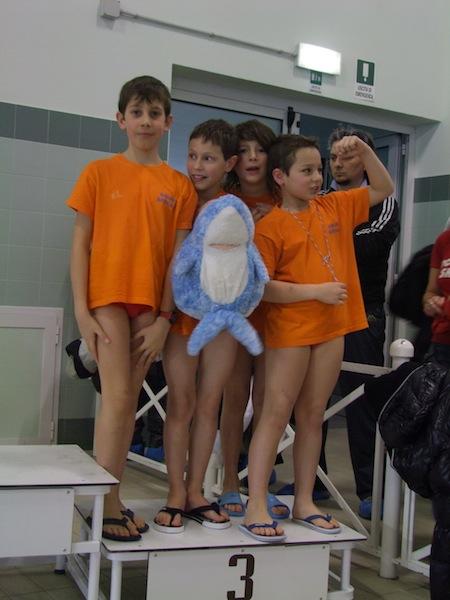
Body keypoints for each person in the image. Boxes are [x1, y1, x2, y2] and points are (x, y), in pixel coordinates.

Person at [241, 133, 394, 541]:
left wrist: (364, 151)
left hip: (331, 329)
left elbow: (383, 188)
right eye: (306, 171)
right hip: (290, 332)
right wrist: (314, 292)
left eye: (318, 170)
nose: (316, 178)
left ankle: (305, 501)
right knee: (275, 415)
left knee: (313, 416)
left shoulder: (334, 206)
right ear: (280, 176)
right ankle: (256, 503)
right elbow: (261, 288)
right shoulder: (269, 226)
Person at [67, 75, 197, 542]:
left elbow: (178, 259)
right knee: (119, 399)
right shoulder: (98, 173)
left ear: (167, 122)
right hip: (106, 298)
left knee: (128, 405)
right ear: (120, 119)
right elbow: (80, 244)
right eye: (137, 113)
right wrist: (82, 311)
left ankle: (111, 497)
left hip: (150, 306)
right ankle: (105, 502)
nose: (145, 121)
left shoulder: (178, 186)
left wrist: (164, 319)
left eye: (154, 114)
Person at [153, 119, 240, 533]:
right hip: (181, 318)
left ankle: (195, 492)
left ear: (229, 164)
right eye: (192, 156)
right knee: (181, 404)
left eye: (208, 158)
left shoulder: (233, 207)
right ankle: (174, 491)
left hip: (222, 317)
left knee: (209, 405)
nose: (197, 166)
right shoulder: (177, 197)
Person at [218, 120, 289, 520]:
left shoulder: (285, 198)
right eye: (244, 150)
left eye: (259, 150)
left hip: (274, 314)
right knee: (234, 400)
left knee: (266, 402)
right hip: (234, 312)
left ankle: (259, 487)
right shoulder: (224, 199)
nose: (252, 158)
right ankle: (230, 482)